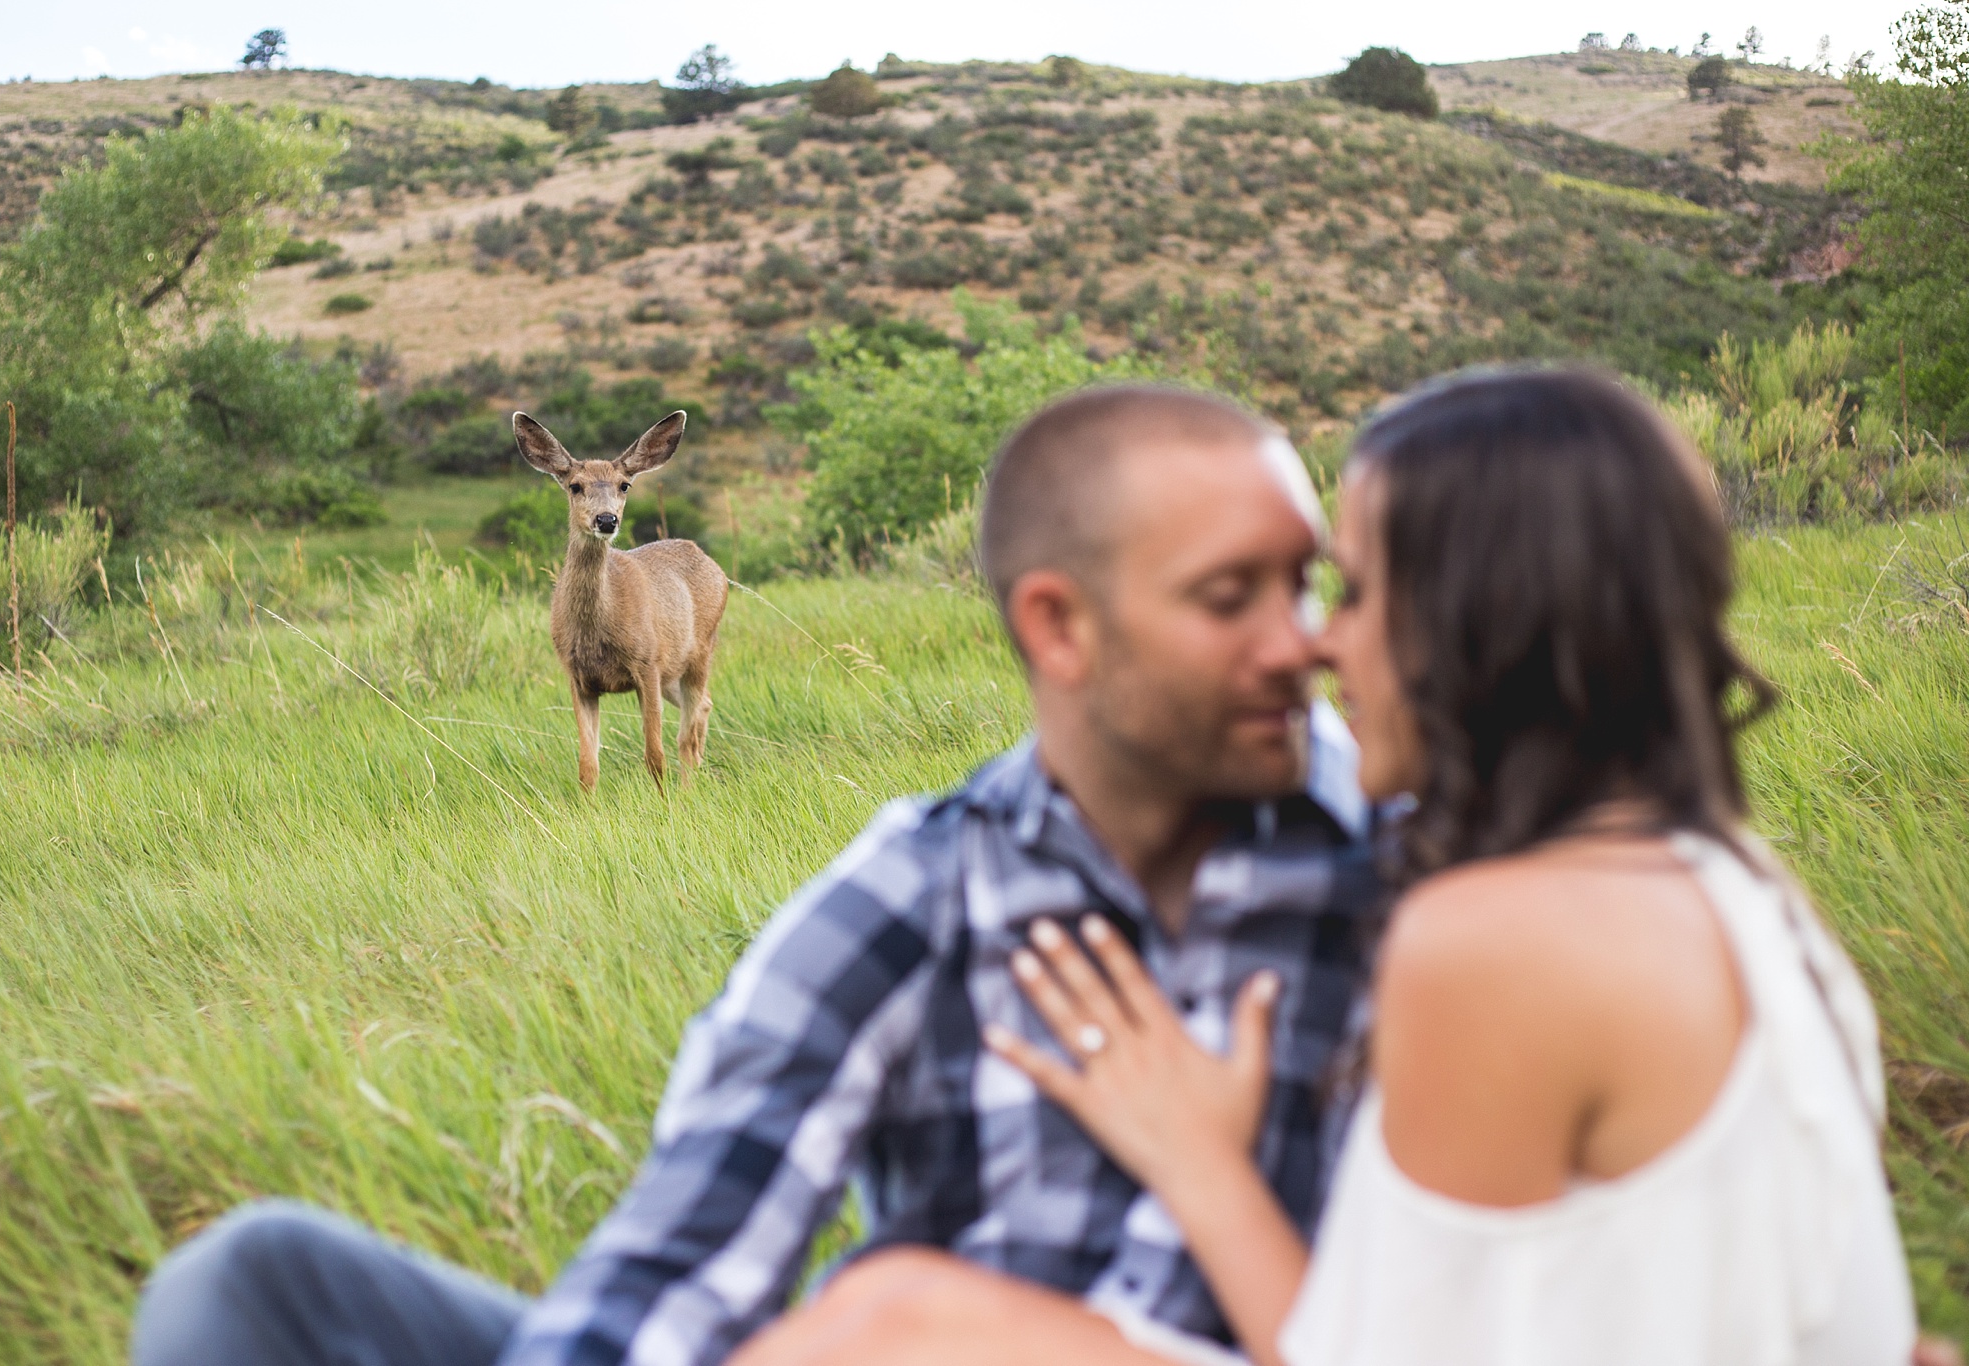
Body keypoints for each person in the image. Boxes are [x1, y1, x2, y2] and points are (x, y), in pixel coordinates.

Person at [129, 386, 1384, 1366]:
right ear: (1057, 626)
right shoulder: (915, 889)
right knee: (250, 1282)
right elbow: (683, 1255)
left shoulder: (1405, 866)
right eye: (1235, 597)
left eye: (1312, 582)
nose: (1308, 641)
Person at [730, 366, 1922, 1366]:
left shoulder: (1493, 939)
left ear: (1477, 618)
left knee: (892, 1322)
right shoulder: (1736, 885)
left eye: (1345, 589)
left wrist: (1199, 1165)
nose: (1314, 641)